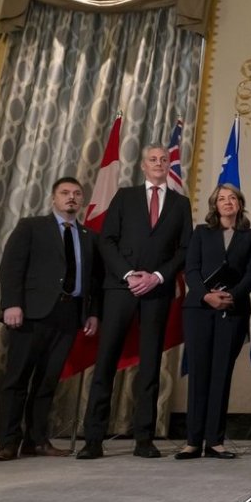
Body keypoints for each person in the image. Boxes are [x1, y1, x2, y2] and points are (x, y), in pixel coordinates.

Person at [78, 145, 193, 460]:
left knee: (151, 366)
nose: (158, 163)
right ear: (143, 166)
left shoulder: (181, 204)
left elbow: (185, 248)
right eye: (153, 160)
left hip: (156, 292)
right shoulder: (124, 197)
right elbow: (107, 240)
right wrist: (128, 274)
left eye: (163, 160)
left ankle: (144, 438)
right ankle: (93, 439)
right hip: (119, 288)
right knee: (105, 363)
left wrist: (157, 276)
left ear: (168, 165)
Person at [0, 177, 101, 461]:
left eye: (77, 194)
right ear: (54, 198)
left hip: (69, 315)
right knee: (17, 379)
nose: (71, 198)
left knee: (47, 381)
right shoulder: (31, 226)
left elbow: (95, 280)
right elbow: (11, 268)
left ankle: (37, 441)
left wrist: (92, 312)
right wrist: (11, 304)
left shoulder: (89, 236)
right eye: (65, 193)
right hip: (30, 313)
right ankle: (7, 442)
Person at [176, 184, 251, 460]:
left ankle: (215, 441)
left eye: (232, 198)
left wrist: (230, 296)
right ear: (215, 205)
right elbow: (191, 269)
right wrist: (206, 297)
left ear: (240, 203)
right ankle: (192, 441)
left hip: (233, 310)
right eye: (221, 199)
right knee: (199, 373)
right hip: (199, 310)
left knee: (221, 374)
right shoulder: (201, 233)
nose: (227, 202)